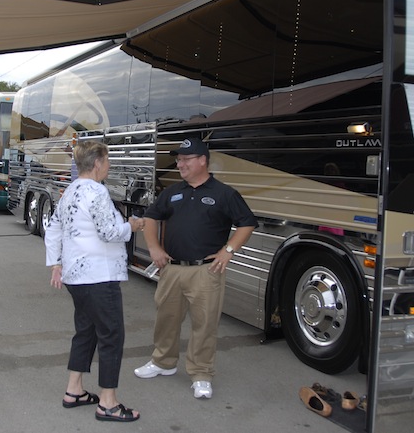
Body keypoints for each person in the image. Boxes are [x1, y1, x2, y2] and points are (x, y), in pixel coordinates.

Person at [134, 137, 257, 399]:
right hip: (172, 268)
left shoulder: (224, 194)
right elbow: (151, 217)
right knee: (166, 320)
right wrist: (154, 248)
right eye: (178, 160)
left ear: (203, 160)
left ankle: (201, 374)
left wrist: (228, 251)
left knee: (205, 324)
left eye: (186, 159)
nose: (180, 164)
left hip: (206, 271)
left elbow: (247, 223)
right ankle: (162, 362)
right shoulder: (172, 192)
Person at [45, 141, 144, 423]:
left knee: (86, 331)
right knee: (111, 335)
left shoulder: (71, 190)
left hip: (77, 276)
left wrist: (56, 264)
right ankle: (108, 403)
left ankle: (74, 390)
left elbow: (53, 229)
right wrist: (132, 226)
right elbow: (109, 231)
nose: (109, 166)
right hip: (99, 276)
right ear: (98, 163)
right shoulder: (97, 191)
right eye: (108, 160)